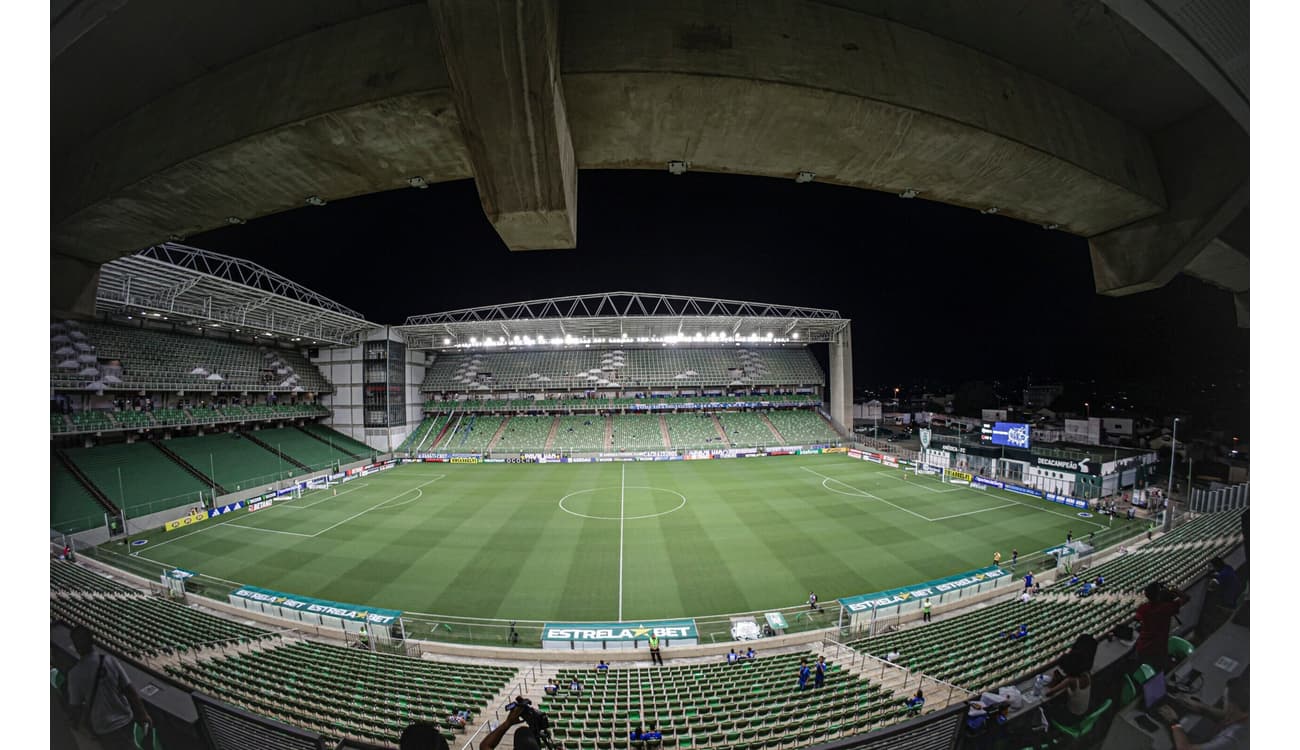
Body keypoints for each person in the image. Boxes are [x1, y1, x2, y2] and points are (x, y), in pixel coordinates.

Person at [66, 625, 152, 750]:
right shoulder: (110, 661)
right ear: (93, 641)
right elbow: (130, 691)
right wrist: (144, 714)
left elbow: (75, 706)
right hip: (125, 720)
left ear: (75, 647)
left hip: (103, 727)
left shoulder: (74, 675)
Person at [1155, 668, 1249, 750]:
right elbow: (1228, 715)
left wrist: (1174, 723)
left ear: (1232, 707)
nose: (1223, 701)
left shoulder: (1231, 739)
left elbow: (1185, 749)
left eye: (1224, 699)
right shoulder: (1245, 712)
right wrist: (1201, 706)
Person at [1134, 582, 1189, 672]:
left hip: (1142, 647)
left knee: (1143, 673)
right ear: (1158, 595)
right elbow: (1186, 598)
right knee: (1157, 674)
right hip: (1158, 650)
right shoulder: (1166, 608)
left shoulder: (1143, 608)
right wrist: (1175, 590)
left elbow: (1138, 619)